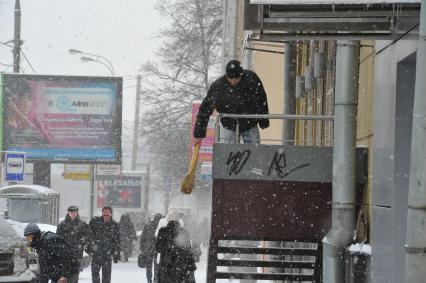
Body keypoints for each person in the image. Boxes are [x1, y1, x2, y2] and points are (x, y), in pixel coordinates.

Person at [194, 59, 270, 144]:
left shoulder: (251, 79)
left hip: (250, 122)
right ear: (226, 75)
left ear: (241, 75)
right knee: (227, 152)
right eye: (231, 78)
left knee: (254, 151)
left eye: (237, 78)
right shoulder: (217, 87)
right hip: (229, 124)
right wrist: (198, 134)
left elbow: (261, 98)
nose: (234, 81)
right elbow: (205, 109)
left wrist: (264, 120)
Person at [155, 211, 196, 283]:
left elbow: (157, 248)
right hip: (180, 266)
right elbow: (188, 250)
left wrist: (166, 248)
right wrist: (192, 266)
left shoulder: (162, 231)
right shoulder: (184, 231)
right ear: (178, 220)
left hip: (165, 265)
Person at [56, 205, 92, 282]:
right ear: (68, 212)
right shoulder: (62, 225)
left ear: (77, 213)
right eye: (71, 212)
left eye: (75, 212)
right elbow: (58, 239)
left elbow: (89, 236)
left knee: (75, 275)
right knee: (64, 275)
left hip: (77, 254)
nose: (73, 214)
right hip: (64, 254)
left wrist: (82, 242)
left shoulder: (82, 225)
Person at [89, 206, 121, 283]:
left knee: (106, 276)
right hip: (96, 253)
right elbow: (88, 235)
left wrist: (116, 253)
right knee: (95, 275)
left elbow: (117, 240)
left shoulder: (114, 224)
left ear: (111, 214)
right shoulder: (95, 222)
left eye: (108, 212)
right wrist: (90, 248)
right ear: (102, 212)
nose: (106, 214)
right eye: (104, 212)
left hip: (107, 254)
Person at [140, 213, 162, 283]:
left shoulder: (148, 225)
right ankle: (155, 279)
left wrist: (142, 247)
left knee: (148, 265)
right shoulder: (161, 226)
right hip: (158, 248)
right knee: (157, 265)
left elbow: (142, 237)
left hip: (148, 248)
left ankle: (149, 279)